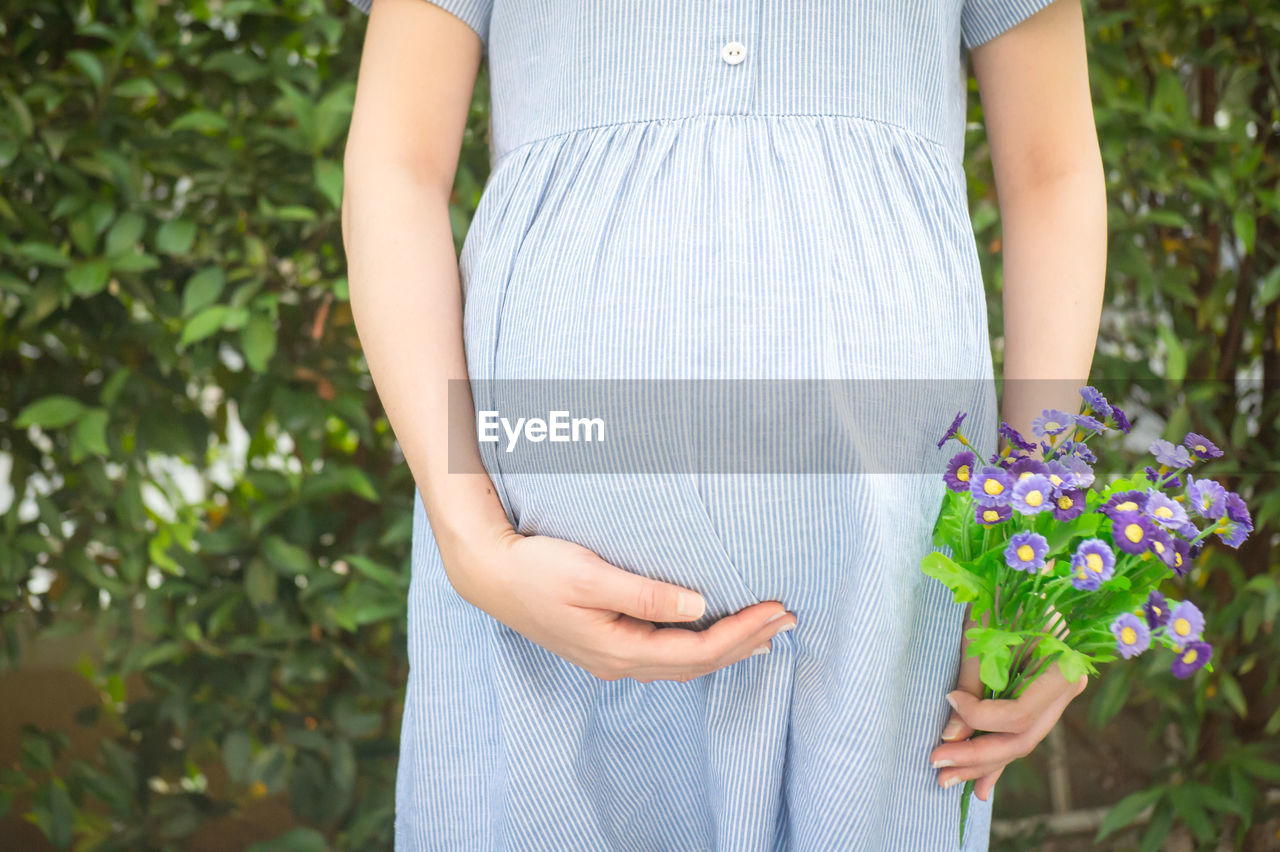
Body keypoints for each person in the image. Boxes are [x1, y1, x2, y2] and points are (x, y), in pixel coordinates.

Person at [340, 0, 1106, 848]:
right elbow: (395, 164)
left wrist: (1032, 550)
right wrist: (471, 539)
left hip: (889, 574)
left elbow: (1053, 173)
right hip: (529, 589)